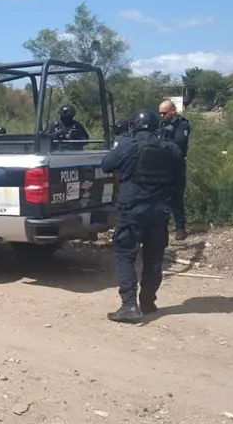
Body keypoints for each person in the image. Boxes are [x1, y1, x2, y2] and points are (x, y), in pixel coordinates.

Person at [100, 108, 184, 323]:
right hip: (160, 212)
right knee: (154, 258)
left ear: (134, 126)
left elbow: (106, 165)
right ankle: (147, 302)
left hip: (133, 211)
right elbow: (179, 183)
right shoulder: (172, 149)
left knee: (125, 255)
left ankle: (129, 305)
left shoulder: (128, 145)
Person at [157, 100, 191, 240]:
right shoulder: (162, 124)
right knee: (161, 196)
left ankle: (180, 227)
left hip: (176, 164)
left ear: (172, 110)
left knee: (176, 197)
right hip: (162, 165)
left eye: (164, 113)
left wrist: (162, 144)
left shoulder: (182, 124)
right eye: (160, 113)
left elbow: (179, 143)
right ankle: (161, 227)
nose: (161, 116)